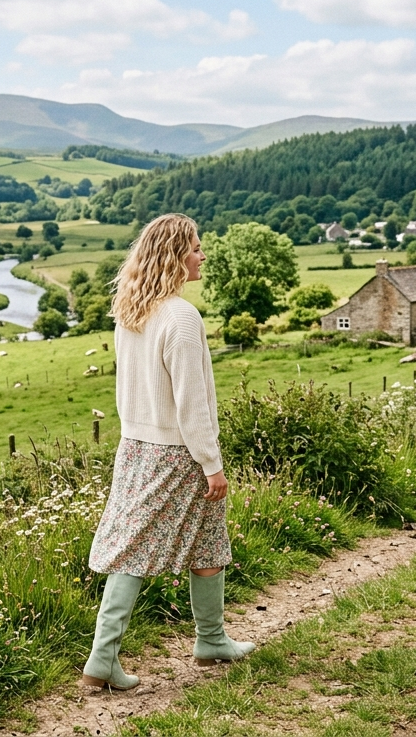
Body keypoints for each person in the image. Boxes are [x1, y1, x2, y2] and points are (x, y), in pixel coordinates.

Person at [81, 213, 255, 691]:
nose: (202, 254)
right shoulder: (180, 316)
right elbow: (191, 401)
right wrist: (211, 464)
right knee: (133, 551)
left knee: (208, 540)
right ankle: (101, 660)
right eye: (195, 247)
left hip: (135, 446)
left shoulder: (132, 311)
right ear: (175, 255)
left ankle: (212, 639)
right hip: (176, 453)